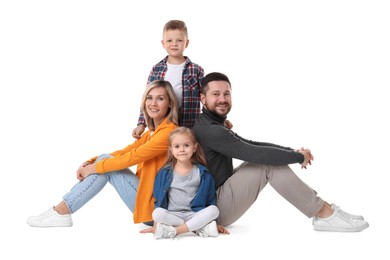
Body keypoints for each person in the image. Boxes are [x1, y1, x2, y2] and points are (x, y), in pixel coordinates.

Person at [191, 72, 369, 232]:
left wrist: (291, 151)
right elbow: (254, 152)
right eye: (216, 94)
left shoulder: (212, 123)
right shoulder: (211, 130)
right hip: (213, 210)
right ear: (203, 99)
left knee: (265, 161)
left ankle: (325, 209)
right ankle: (323, 213)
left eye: (226, 93)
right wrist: (298, 157)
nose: (222, 99)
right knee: (268, 164)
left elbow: (251, 144)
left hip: (217, 197)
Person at [27, 80, 179, 227]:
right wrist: (91, 162)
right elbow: (126, 151)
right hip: (147, 202)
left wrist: (94, 168)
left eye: (160, 99)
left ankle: (61, 211)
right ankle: (61, 210)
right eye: (150, 98)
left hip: (156, 211)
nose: (153, 103)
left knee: (106, 166)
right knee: (105, 160)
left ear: (170, 103)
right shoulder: (151, 133)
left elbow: (131, 158)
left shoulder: (169, 132)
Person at [132, 20, 208, 138]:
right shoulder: (157, 69)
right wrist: (141, 123)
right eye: (169, 40)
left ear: (186, 43)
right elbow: (148, 97)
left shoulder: (196, 70)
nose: (174, 44)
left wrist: (217, 120)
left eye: (179, 40)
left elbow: (206, 99)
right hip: (163, 127)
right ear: (163, 43)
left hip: (189, 126)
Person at [152, 127, 222, 239]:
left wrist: (211, 219)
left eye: (186, 145)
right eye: (177, 146)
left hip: (194, 213)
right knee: (157, 214)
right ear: (171, 150)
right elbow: (158, 199)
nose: (182, 149)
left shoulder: (202, 173)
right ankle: (198, 227)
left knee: (214, 210)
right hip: (173, 214)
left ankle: (176, 230)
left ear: (195, 148)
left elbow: (210, 200)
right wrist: (156, 222)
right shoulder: (164, 172)